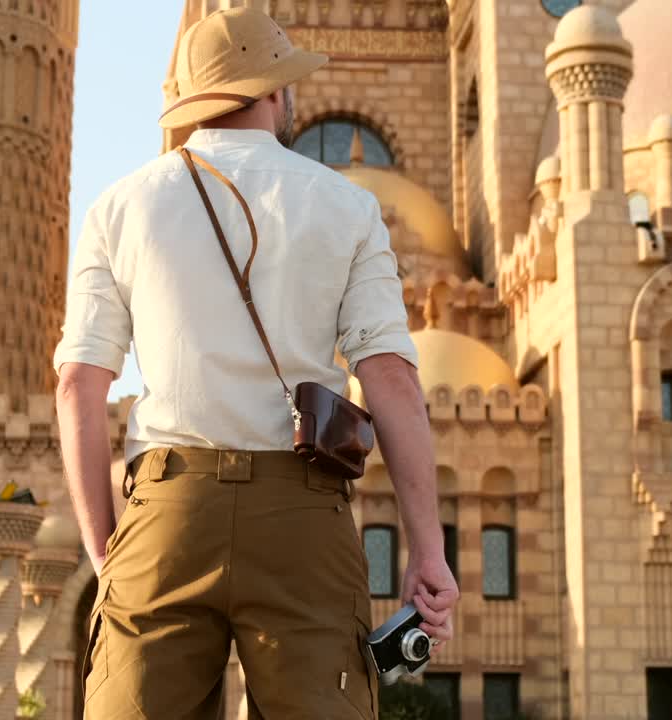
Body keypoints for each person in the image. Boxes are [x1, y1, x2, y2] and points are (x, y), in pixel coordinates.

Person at [53, 6, 458, 718]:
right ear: (276, 90)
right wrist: (427, 550)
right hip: (302, 513)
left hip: (168, 510)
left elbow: (77, 386)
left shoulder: (121, 206)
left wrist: (106, 547)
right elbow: (390, 377)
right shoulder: (348, 206)